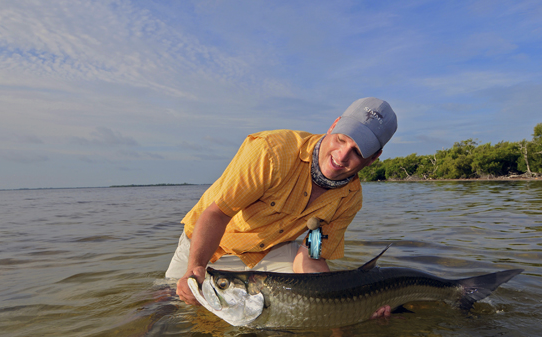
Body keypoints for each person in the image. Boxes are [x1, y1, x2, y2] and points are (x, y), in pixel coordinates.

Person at [168, 97, 398, 319]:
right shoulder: (270, 151)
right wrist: (196, 267)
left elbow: (312, 255)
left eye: (358, 151)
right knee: (168, 307)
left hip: (272, 249)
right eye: (341, 139)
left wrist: (350, 306)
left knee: (302, 312)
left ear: (373, 158)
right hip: (208, 241)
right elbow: (217, 214)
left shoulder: (349, 199)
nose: (341, 155)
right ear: (334, 125)